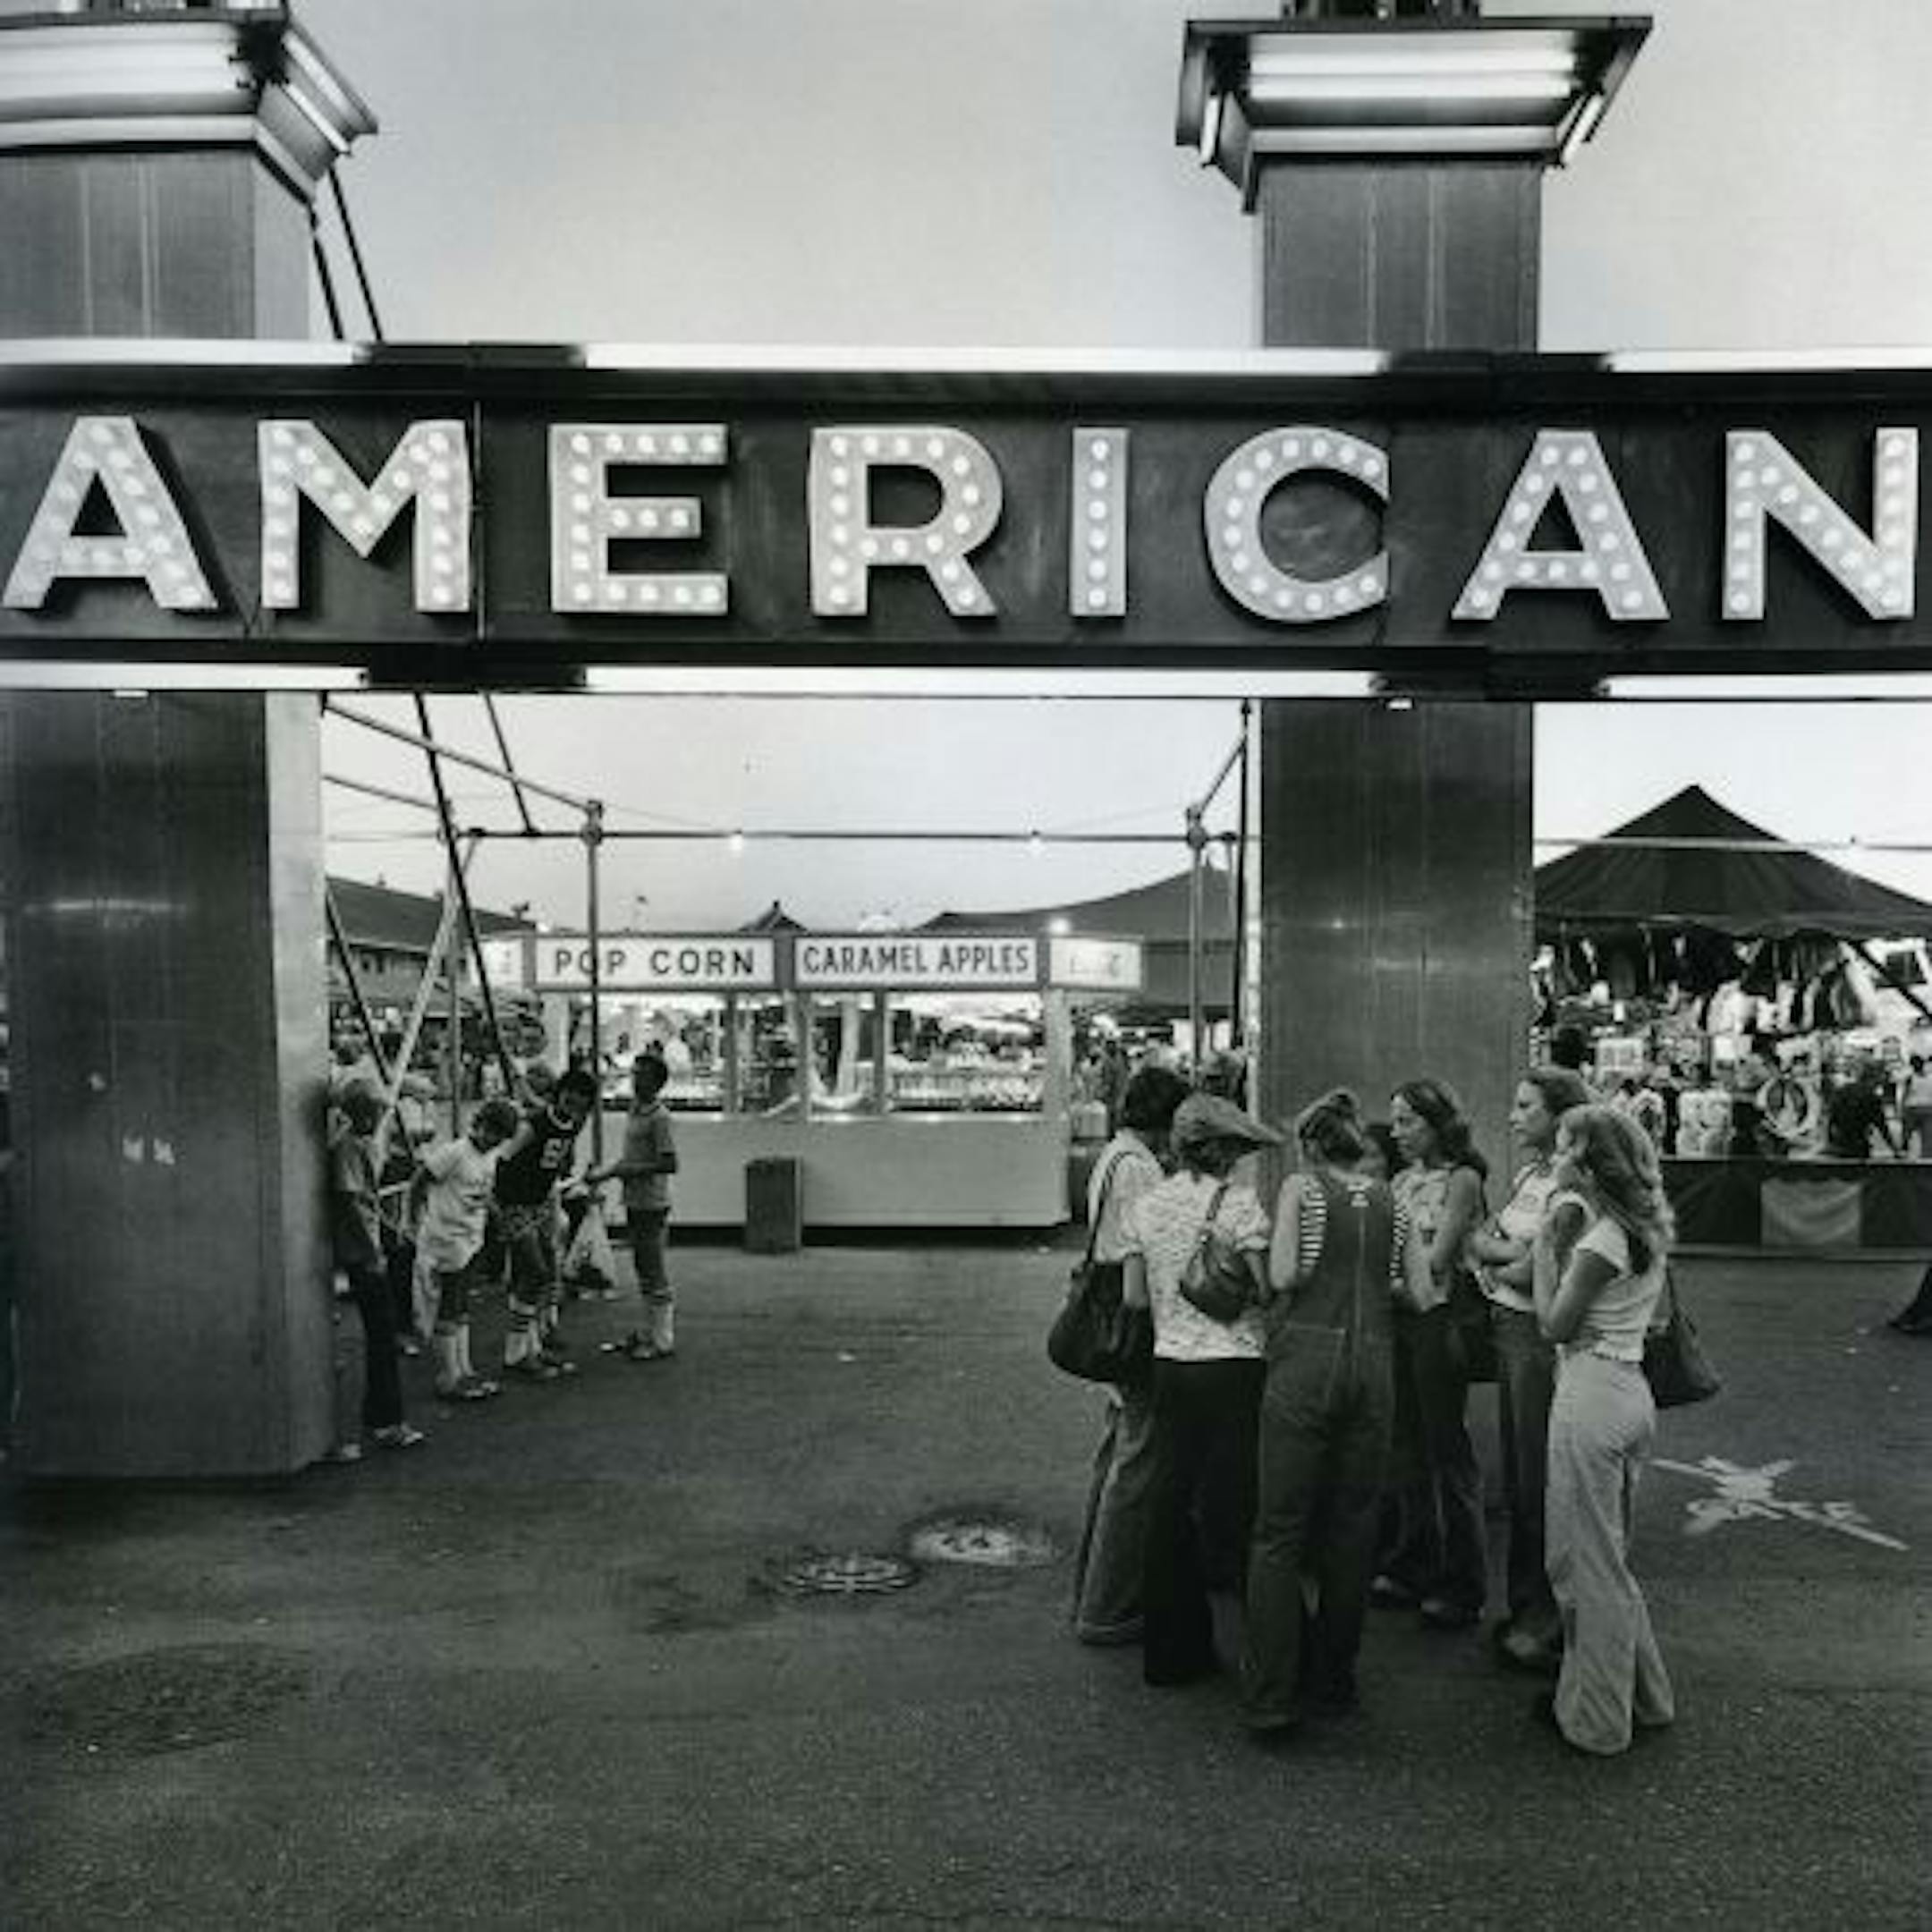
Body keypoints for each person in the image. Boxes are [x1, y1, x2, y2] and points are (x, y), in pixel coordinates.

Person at [1241, 1089, 1427, 1736]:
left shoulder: (1303, 1188)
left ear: (1311, 1146)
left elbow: (1286, 1275)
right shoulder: (1395, 1200)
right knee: (1353, 1529)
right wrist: (1373, 1279)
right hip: (1373, 1368)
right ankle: (1333, 1681)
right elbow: (1422, 1293)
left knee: (1278, 1532)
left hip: (1306, 1366)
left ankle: (1271, 1694)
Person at [1120, 1090, 1277, 1688]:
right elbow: (1266, 1290)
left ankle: (1171, 1652)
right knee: (1239, 1506)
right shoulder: (1240, 1206)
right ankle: (1272, 1653)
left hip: (1171, 1365)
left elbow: (1135, 1297)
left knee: (1169, 1505)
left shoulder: (1146, 1206)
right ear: (1225, 1152)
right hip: (1235, 1366)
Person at [1533, 1104, 1677, 1756]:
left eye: (1566, 1147)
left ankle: (1596, 1720)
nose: (1555, 1157)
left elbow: (1553, 1325)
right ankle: (1644, 1696)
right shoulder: (1640, 1228)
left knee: (1581, 1564)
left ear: (1589, 1166)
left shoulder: (1597, 1243)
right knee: (1607, 1557)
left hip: (1589, 1394)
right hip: (1629, 1389)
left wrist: (1544, 1253)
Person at [1467, 1065, 1592, 1674]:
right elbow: (1481, 1239)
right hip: (1511, 1331)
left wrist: (1500, 1260)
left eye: (1525, 1107)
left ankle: (1544, 1619)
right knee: (1521, 1477)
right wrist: (1505, 1257)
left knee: (1539, 1479)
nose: (1513, 1117)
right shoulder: (1526, 1177)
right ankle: (1524, 1608)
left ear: (1559, 1116)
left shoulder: (1569, 1189)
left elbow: (1522, 1267)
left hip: (1539, 1342)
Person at [1066, 1063, 1191, 1647]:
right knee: (1137, 1464)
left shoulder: (1115, 1155)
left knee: (1116, 1450)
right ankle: (1109, 1606)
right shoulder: (1139, 1168)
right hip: (1133, 1317)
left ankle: (1090, 1592)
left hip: (1110, 1307)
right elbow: (1145, 1257)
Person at [1371, 1079, 1488, 1632]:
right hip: (1401, 1318)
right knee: (1404, 1446)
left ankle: (1464, 1581)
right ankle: (1412, 1561)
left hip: (1438, 1320)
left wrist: (1379, 1275)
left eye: (1407, 1121)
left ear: (1437, 1124)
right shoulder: (1399, 1181)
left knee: (1446, 1448)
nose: (1397, 1132)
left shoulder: (1462, 1180)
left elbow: (1437, 1261)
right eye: (1394, 1121)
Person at [327, 1083, 428, 1453]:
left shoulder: (353, 1144)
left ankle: (381, 1416)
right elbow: (351, 1203)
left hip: (365, 1246)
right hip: (362, 1252)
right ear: (365, 1113)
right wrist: (373, 1253)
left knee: (383, 1335)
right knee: (382, 1336)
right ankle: (385, 1419)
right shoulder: (350, 1148)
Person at [494, 1066, 599, 1381]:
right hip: (515, 1204)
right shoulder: (535, 1123)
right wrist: (498, 1205)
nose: (573, 1101)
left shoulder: (572, 1124)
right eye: (569, 1093)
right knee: (535, 1272)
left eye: (581, 1097)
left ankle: (531, 1345)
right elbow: (503, 1158)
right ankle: (516, 1353)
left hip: (541, 1204)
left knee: (541, 1275)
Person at [417, 1097, 520, 1402]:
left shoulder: (489, 1156)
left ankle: (464, 1370)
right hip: (446, 1237)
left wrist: (500, 1219)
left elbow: (486, 1194)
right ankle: (448, 1376)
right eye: (492, 1133)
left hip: (471, 1237)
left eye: (500, 1138)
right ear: (481, 1125)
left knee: (462, 1305)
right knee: (449, 1304)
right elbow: (419, 1180)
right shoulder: (454, 1153)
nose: (494, 1142)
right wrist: (410, 1220)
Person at [587, 1050, 682, 1361]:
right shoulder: (635, 1111)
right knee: (643, 1266)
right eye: (634, 1074)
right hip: (635, 1199)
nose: (635, 1080)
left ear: (656, 1082)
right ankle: (649, 1331)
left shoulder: (660, 1118)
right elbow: (631, 1157)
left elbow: (669, 1163)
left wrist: (624, 1171)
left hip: (652, 1201)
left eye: (642, 1075)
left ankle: (662, 1338)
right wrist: (611, 1172)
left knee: (652, 1267)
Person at [1824, 1059, 1903, 1160]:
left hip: (1839, 1145)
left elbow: (1830, 1119)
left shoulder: (1842, 1092)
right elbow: (1882, 1127)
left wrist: (1829, 1141)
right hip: (1859, 1146)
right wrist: (1895, 1150)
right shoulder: (1871, 1098)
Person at [1901, 1054, 1932, 1158]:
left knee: (1907, 1134)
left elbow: (1905, 1095)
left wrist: (1901, 1110)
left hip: (1912, 1108)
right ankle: (1926, 1157)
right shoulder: (1930, 1078)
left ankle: (1904, 1152)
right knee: (1927, 1136)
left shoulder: (1910, 1079)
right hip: (1928, 1108)